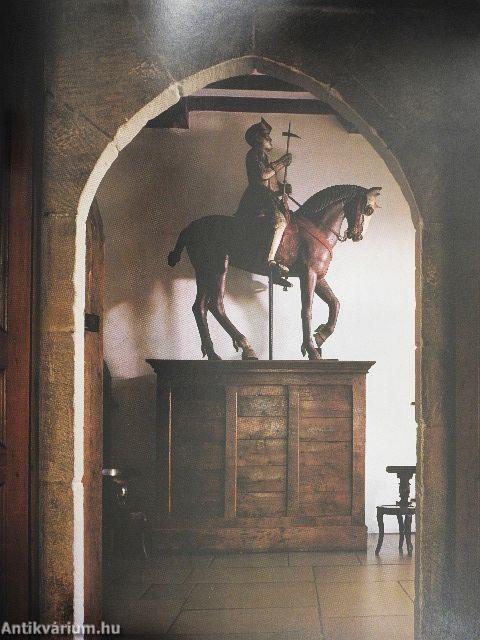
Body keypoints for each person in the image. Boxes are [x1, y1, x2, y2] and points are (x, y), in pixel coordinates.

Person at [235, 118, 293, 277]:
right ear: (257, 139)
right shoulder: (254, 154)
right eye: (266, 136)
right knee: (280, 222)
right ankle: (270, 261)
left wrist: (282, 188)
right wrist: (281, 162)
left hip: (267, 197)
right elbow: (263, 174)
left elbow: (271, 185)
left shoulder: (263, 157)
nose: (270, 139)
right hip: (258, 197)